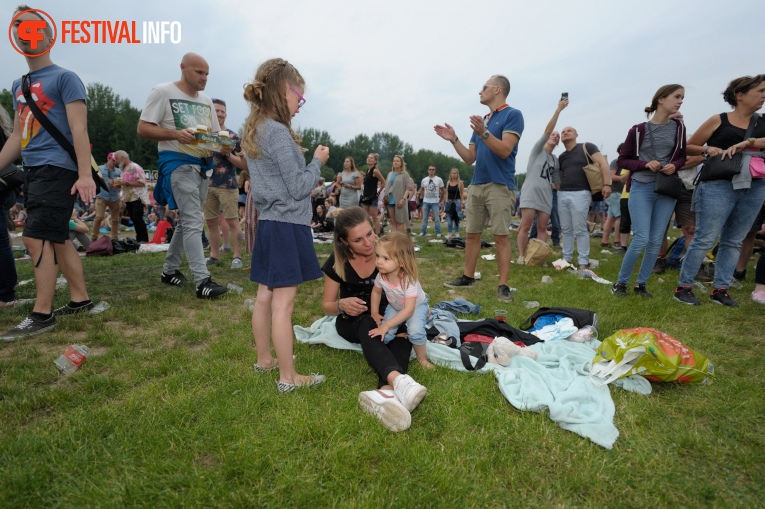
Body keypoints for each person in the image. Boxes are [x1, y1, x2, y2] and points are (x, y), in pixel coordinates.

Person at [1, 6, 97, 341]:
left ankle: (42, 315)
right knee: (55, 236)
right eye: (19, 29)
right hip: (34, 169)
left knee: (34, 235)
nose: (26, 34)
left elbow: (78, 128)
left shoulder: (65, 78)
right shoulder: (20, 84)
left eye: (33, 28)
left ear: (49, 35)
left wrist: (84, 174)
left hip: (58, 168)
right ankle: (80, 299)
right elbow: (17, 136)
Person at [242, 57, 330, 392]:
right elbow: (297, 186)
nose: (299, 106)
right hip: (287, 225)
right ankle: (288, 377)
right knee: (284, 303)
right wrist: (316, 163)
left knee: (265, 295)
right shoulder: (278, 133)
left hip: (268, 223)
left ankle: (265, 359)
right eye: (299, 98)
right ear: (283, 91)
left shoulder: (255, 129)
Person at [322, 207, 427, 433]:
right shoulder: (337, 260)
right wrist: (341, 304)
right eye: (358, 240)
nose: (368, 243)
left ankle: (387, 393)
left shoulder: (390, 251)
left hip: (388, 316)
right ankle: (399, 380)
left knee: (403, 334)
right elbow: (327, 306)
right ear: (344, 242)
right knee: (369, 323)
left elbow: (409, 289)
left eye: (370, 234)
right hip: (353, 321)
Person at [137, 52, 228, 299]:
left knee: (188, 220)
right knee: (192, 221)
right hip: (177, 162)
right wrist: (176, 134)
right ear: (183, 68)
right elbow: (143, 127)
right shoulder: (163, 92)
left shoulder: (207, 100)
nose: (204, 78)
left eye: (207, 74)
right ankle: (202, 282)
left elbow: (215, 135)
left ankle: (169, 270)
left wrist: (225, 143)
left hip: (202, 165)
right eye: (199, 72)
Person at [674, 75, 765, 307]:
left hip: (755, 185)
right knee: (705, 237)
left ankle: (720, 289)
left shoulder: (762, 121)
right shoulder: (719, 119)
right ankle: (684, 287)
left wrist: (750, 143)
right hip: (718, 184)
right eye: (761, 90)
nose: (764, 96)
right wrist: (708, 149)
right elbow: (688, 146)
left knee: (734, 240)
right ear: (740, 95)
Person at [435, 74, 524, 302]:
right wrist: (454, 139)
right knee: (472, 234)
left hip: (500, 184)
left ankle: (503, 286)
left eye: (484, 87)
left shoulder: (513, 115)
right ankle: (468, 276)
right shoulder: (482, 120)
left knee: (501, 235)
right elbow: (469, 158)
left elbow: (505, 150)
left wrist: (484, 132)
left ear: (497, 90)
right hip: (477, 184)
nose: (480, 91)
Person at [612, 84, 687, 298]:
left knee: (656, 240)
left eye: (682, 97)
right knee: (641, 238)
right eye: (677, 96)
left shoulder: (679, 128)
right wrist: (645, 164)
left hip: (667, 187)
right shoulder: (638, 130)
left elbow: (682, 156)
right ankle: (620, 284)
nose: (680, 101)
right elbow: (623, 160)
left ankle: (641, 285)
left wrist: (676, 165)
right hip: (643, 187)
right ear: (661, 99)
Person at [369, 232, 433, 370]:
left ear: (402, 262)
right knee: (385, 335)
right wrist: (374, 312)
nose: (379, 261)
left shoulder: (408, 280)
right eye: (378, 256)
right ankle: (397, 332)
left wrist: (387, 325)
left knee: (415, 331)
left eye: (386, 258)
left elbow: (409, 310)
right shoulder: (381, 275)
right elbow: (376, 291)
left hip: (415, 307)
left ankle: (422, 358)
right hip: (395, 306)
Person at [516, 98, 566, 264]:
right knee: (525, 225)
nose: (555, 136)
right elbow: (547, 131)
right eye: (553, 134)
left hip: (546, 194)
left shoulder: (555, 159)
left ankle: (539, 256)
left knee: (543, 227)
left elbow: (557, 179)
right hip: (531, 191)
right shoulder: (537, 151)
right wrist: (558, 110)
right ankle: (522, 256)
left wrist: (561, 192)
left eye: (557, 136)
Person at [557, 124, 612, 269]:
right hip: (562, 193)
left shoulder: (587, 147)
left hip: (581, 193)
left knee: (580, 228)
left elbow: (603, 163)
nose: (565, 133)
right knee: (567, 229)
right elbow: (559, 176)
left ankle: (583, 261)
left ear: (576, 135)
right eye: (563, 132)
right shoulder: (561, 157)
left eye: (569, 131)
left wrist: (607, 184)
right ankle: (566, 259)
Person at [203, 98, 246, 269]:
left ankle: (237, 256)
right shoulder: (203, 135)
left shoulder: (233, 137)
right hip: (206, 184)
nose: (219, 114)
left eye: (222, 111)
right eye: (216, 111)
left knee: (232, 221)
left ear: (226, 114)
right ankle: (214, 255)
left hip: (227, 185)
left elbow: (244, 165)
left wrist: (227, 154)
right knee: (211, 222)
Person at [114, 150, 149, 243]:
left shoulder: (135, 167)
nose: (116, 161)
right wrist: (118, 184)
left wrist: (125, 183)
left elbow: (142, 183)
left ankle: (144, 239)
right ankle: (139, 238)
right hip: (128, 198)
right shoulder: (124, 169)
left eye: (117, 158)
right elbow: (125, 184)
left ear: (122, 157)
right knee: (134, 219)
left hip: (137, 197)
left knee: (138, 218)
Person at [91, 152, 121, 242]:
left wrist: (117, 184)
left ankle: (115, 238)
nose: (114, 162)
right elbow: (94, 181)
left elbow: (121, 185)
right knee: (99, 217)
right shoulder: (99, 169)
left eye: (116, 161)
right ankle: (94, 238)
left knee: (115, 219)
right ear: (108, 158)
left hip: (115, 197)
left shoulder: (119, 171)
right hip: (102, 196)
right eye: (113, 160)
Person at [381, 155, 414, 234]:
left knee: (400, 221)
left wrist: (403, 199)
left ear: (401, 163)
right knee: (393, 222)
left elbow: (408, 188)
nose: (395, 162)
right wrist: (384, 198)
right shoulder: (390, 174)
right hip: (390, 200)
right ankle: (394, 240)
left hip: (400, 200)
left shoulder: (405, 174)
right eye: (394, 161)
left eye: (397, 161)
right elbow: (387, 186)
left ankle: (400, 241)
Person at [601, 144, 625, 249]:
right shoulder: (617, 162)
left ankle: (604, 242)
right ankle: (617, 241)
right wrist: (623, 178)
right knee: (620, 217)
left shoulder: (624, 163)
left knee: (610, 218)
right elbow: (611, 176)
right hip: (614, 193)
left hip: (617, 193)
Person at [359, 153, 386, 234]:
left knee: (374, 216)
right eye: (368, 157)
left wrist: (379, 192)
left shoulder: (375, 171)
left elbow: (383, 182)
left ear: (375, 161)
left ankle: (377, 234)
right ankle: (367, 232)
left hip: (373, 196)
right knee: (365, 217)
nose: (369, 159)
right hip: (365, 196)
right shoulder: (367, 170)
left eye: (371, 158)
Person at [419, 165, 445, 237]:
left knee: (437, 218)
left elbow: (443, 190)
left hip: (435, 201)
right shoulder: (424, 180)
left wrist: (441, 199)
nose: (431, 171)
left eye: (433, 169)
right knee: (425, 218)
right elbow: (422, 189)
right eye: (430, 169)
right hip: (426, 201)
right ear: (428, 170)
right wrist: (423, 197)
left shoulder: (439, 180)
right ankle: (423, 231)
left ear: (435, 171)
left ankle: (438, 232)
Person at [444, 168, 465, 240]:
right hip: (449, 201)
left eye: (455, 173)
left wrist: (462, 202)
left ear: (457, 174)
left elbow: (462, 193)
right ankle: (449, 233)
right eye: (452, 173)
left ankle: (457, 233)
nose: (453, 175)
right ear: (450, 174)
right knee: (449, 219)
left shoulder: (460, 183)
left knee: (456, 218)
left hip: (457, 201)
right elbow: (447, 192)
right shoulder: (448, 182)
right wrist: (445, 201)